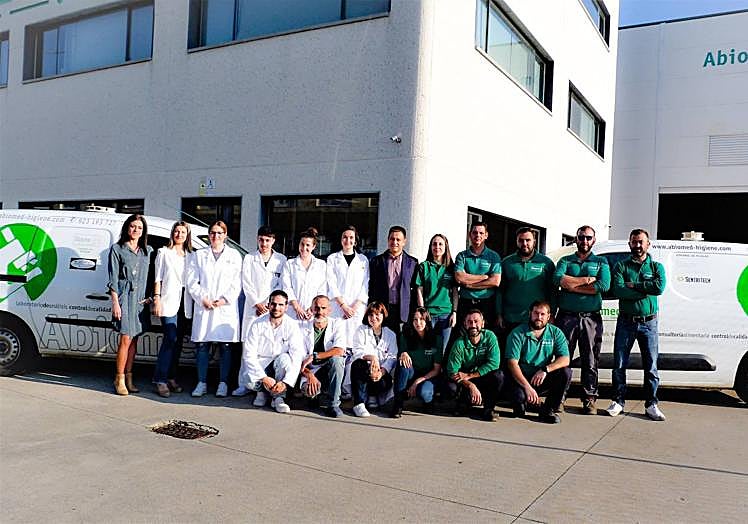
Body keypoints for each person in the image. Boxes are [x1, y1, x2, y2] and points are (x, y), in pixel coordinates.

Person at [606, 229, 667, 421]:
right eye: (634, 242)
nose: (638, 245)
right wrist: (645, 290)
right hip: (626, 322)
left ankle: (651, 404)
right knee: (619, 364)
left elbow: (659, 287)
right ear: (629, 244)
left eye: (641, 242)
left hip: (649, 323)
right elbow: (618, 290)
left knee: (651, 366)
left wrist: (635, 285)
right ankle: (618, 401)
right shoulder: (621, 266)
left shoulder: (656, 267)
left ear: (648, 244)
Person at [553, 225, 610, 414]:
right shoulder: (565, 260)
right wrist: (586, 280)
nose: (584, 241)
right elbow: (557, 279)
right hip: (566, 317)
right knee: (563, 358)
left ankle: (589, 399)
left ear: (594, 240)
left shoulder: (601, 261)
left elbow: (604, 285)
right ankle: (559, 398)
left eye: (588, 237)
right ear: (576, 239)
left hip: (590, 318)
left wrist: (571, 285)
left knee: (590, 360)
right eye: (581, 237)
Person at [185, 220, 242, 398]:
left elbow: (237, 282)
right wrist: (203, 298)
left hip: (225, 308)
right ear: (209, 235)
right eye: (213, 233)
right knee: (202, 345)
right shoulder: (199, 255)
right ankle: (201, 383)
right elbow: (191, 281)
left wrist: (224, 300)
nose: (215, 236)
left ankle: (223, 383)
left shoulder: (234, 256)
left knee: (225, 346)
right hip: (205, 306)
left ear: (225, 235)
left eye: (219, 233)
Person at [233, 225, 287, 397]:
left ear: (273, 241)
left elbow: (280, 285)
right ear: (257, 239)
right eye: (261, 240)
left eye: (267, 240)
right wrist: (257, 303)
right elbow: (246, 282)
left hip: (272, 308)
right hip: (253, 309)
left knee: (267, 348)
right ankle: (243, 384)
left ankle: (264, 386)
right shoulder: (250, 258)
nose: (264, 244)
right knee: (248, 347)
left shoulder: (281, 260)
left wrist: (267, 304)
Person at [505, 301, 572, 424]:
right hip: (521, 379)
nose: (539, 317)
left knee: (566, 372)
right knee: (519, 406)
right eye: (536, 313)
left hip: (541, 377)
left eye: (542, 314)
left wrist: (545, 370)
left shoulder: (555, 332)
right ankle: (527, 402)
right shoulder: (517, 333)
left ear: (548, 316)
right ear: (530, 314)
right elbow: (512, 364)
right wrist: (527, 387)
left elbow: (565, 359)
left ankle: (548, 410)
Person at [108, 214, 153, 396]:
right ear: (127, 228)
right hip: (125, 298)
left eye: (139, 227)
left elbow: (153, 276)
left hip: (140, 300)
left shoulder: (147, 251)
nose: (136, 230)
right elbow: (112, 278)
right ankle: (118, 378)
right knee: (125, 339)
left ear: (143, 231)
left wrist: (151, 297)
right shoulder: (117, 249)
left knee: (135, 339)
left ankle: (129, 377)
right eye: (133, 226)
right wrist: (115, 303)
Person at [240, 290, 305, 414]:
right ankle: (262, 393)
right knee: (249, 381)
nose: (276, 308)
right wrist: (263, 378)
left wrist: (285, 382)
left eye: (281, 305)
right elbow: (249, 355)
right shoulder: (257, 324)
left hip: (279, 365)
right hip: (262, 364)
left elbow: (297, 355)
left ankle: (279, 397)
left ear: (286, 307)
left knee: (285, 359)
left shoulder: (292, 325)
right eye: (273, 304)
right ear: (268, 305)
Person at [151, 221, 194, 397]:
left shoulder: (191, 255)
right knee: (170, 338)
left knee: (178, 341)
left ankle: (171, 377)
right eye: (177, 231)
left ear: (187, 235)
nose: (179, 235)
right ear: (172, 233)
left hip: (185, 302)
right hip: (168, 300)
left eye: (183, 232)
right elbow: (157, 278)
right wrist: (157, 298)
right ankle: (160, 379)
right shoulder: (163, 252)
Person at [326, 225, 369, 397]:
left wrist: (355, 306)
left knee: (354, 347)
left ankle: (349, 386)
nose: (348, 240)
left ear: (355, 240)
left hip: (356, 310)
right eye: (345, 237)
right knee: (338, 345)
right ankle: (336, 385)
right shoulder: (332, 259)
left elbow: (365, 284)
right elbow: (331, 283)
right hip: (338, 309)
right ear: (341, 239)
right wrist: (343, 305)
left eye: (351, 237)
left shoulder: (363, 260)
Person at [497, 227, 556, 349]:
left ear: (534, 241)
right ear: (516, 241)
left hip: (537, 320)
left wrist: (552, 315)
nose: (524, 243)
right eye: (521, 240)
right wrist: (499, 314)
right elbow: (499, 291)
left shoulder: (546, 263)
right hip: (511, 319)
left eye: (528, 240)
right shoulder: (507, 263)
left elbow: (553, 291)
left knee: (534, 354)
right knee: (510, 354)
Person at [445, 309, 504, 422]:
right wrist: (470, 385)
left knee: (499, 375)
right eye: (469, 322)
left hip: (481, 377)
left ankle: (489, 408)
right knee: (450, 387)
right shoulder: (459, 343)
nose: (473, 325)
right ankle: (463, 403)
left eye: (476, 321)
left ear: (483, 323)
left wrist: (470, 375)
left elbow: (494, 363)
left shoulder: (490, 337)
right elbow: (452, 371)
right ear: (465, 324)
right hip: (465, 382)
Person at [299, 295, 347, 417]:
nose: (320, 312)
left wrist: (315, 356)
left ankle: (333, 405)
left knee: (337, 360)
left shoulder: (337, 324)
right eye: (316, 308)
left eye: (323, 308)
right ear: (311, 309)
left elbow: (340, 350)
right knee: (310, 392)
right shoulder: (302, 328)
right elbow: (297, 359)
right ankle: (315, 396)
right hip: (310, 371)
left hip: (328, 369)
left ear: (329, 310)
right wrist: (309, 375)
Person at [390, 307, 443, 418]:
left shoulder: (437, 339)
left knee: (424, 392)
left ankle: (429, 401)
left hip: (428, 376)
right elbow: (400, 355)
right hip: (411, 373)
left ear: (427, 320)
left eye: (421, 319)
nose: (418, 323)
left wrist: (417, 381)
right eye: (415, 319)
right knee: (402, 364)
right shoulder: (405, 335)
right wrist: (403, 353)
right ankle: (398, 404)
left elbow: (436, 370)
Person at [350, 302, 398, 417]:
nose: (374, 318)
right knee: (357, 364)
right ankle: (359, 403)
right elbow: (357, 351)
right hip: (365, 371)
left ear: (383, 315)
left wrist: (382, 371)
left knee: (384, 382)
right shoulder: (361, 330)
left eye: (377, 314)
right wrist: (372, 358)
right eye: (371, 315)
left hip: (381, 374)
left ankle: (373, 396)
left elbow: (392, 357)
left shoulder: (390, 334)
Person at [368, 225, 418, 333]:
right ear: (388, 240)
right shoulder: (376, 261)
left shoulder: (412, 263)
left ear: (404, 242)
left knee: (401, 340)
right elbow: (372, 286)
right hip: (382, 309)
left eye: (398, 239)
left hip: (403, 310)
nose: (394, 242)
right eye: (392, 239)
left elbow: (414, 289)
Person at [454, 222, 502, 331]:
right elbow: (459, 277)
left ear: (486, 235)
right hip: (465, 302)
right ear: (469, 234)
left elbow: (495, 281)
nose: (478, 235)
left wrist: (469, 285)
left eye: (481, 233)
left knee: (485, 335)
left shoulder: (494, 256)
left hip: (487, 303)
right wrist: (484, 277)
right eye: (475, 232)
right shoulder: (462, 256)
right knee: (464, 335)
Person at [415, 234, 457, 353]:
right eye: (434, 244)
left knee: (441, 350)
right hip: (429, 314)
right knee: (428, 349)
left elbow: (455, 292)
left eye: (440, 244)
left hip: (446, 314)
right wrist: (422, 311)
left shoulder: (451, 268)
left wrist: (454, 312)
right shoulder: (424, 266)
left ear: (445, 247)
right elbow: (419, 290)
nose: (437, 247)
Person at [281, 227, 327, 321]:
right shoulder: (289, 264)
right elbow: (287, 287)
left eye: (308, 245)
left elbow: (322, 289)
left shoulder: (321, 265)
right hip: (292, 313)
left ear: (313, 246)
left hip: (313, 313)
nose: (304, 248)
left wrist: (312, 308)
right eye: (302, 244)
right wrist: (297, 308)